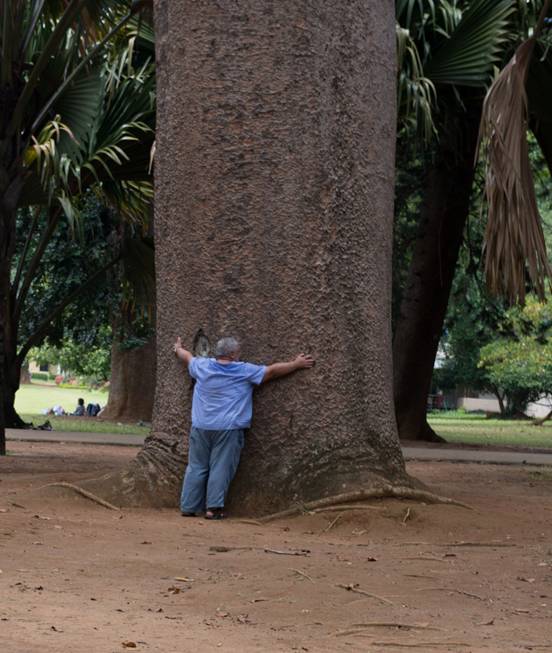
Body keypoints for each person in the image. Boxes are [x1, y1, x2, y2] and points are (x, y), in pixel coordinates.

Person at [174, 336, 315, 520]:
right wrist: (295, 364)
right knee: (221, 467)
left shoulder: (202, 366)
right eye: (238, 351)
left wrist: (177, 348)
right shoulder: (243, 370)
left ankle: (188, 506)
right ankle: (213, 508)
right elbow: (272, 371)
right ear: (232, 354)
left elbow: (187, 357)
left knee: (196, 466)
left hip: (201, 426)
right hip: (228, 429)